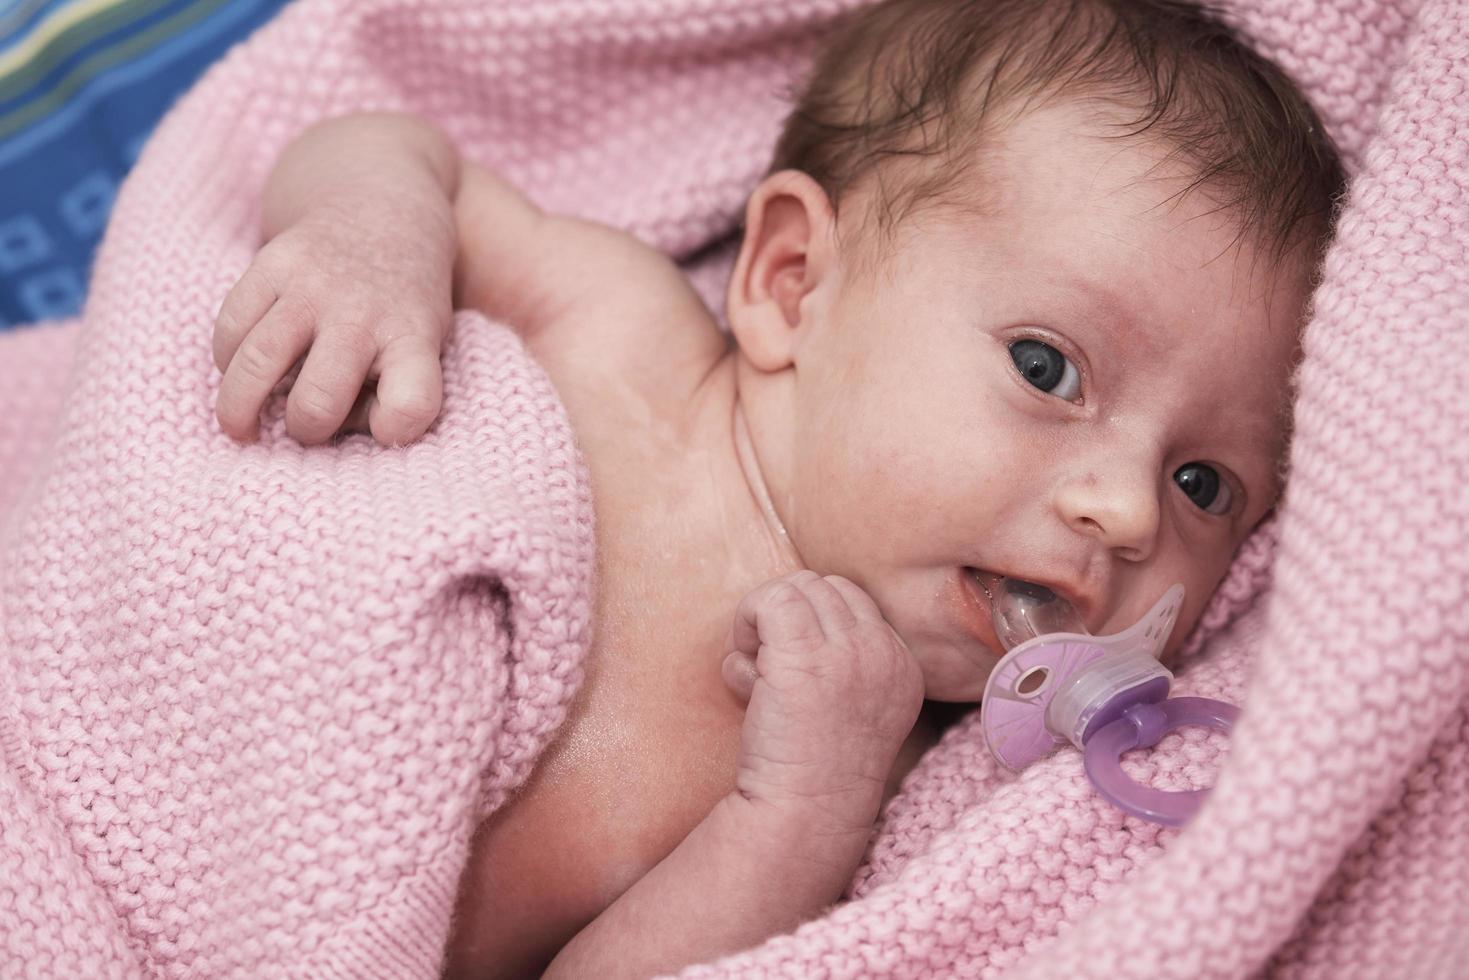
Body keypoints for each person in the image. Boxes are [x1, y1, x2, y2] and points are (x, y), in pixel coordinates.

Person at [209, 0, 1344, 974]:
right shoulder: (620, 335)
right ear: (792, 284)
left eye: (1204, 482)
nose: (1130, 511)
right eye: (1047, 367)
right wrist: (371, 232)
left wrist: (799, 813)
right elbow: (395, 149)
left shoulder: (882, 779)